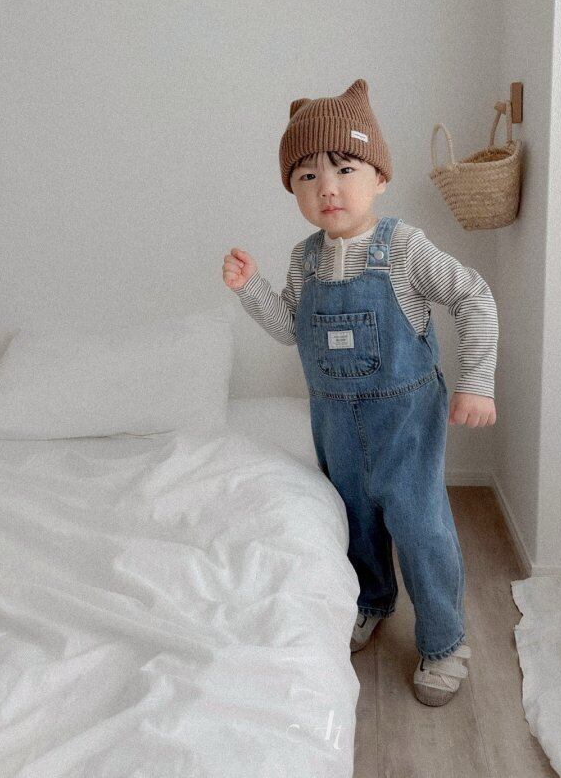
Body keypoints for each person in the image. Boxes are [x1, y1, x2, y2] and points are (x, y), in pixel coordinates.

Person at [222, 78, 498, 706]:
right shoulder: (303, 260)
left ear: (379, 177)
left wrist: (477, 384)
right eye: (307, 176)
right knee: (354, 521)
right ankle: (372, 599)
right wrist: (252, 288)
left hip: (405, 419)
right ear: (294, 191)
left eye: (344, 169)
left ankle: (444, 640)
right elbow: (290, 329)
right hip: (335, 421)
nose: (327, 187)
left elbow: (474, 296)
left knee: (420, 526)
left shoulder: (403, 248)